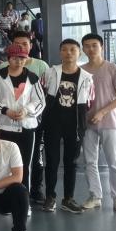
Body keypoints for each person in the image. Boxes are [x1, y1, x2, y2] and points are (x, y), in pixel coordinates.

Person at [0, 44, 46, 192]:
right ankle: (4, 198)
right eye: (15, 58)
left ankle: (23, 199)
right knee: (3, 165)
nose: (19, 61)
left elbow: (40, 101)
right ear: (8, 59)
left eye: (22, 58)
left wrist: (26, 111)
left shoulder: (32, 77)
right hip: (3, 127)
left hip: (26, 128)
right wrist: (5, 110)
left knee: (24, 165)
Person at [41, 39, 93, 214]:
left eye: (72, 49)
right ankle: (50, 196)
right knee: (52, 160)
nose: (68, 53)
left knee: (71, 162)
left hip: (75, 125)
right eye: (64, 49)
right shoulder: (50, 73)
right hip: (52, 123)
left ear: (79, 53)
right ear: (60, 52)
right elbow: (41, 94)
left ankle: (68, 198)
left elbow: (90, 101)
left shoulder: (87, 77)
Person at [79, 33, 116, 213]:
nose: (91, 49)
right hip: (87, 124)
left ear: (102, 47)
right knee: (90, 162)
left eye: (94, 45)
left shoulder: (112, 68)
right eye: (87, 46)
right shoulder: (81, 71)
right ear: (83, 49)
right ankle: (95, 196)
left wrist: (102, 112)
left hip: (109, 122)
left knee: (114, 162)